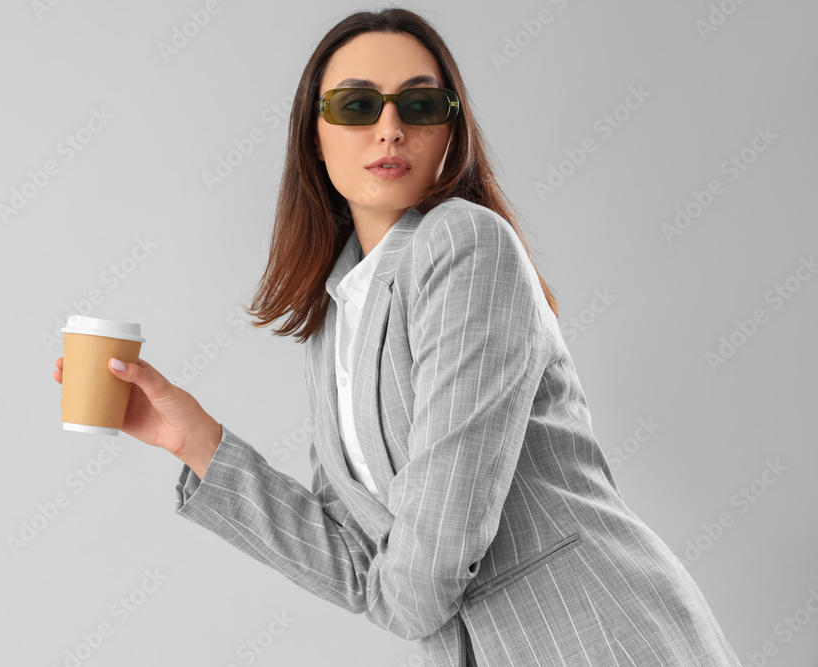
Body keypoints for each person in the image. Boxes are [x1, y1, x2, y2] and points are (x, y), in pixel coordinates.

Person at [53, 8, 742, 666]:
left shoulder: (466, 245)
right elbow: (358, 561)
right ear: (313, 138)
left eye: (418, 106)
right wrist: (193, 439)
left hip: (596, 636)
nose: (389, 128)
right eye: (356, 106)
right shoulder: (338, 313)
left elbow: (432, 555)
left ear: (450, 134)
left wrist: (393, 589)